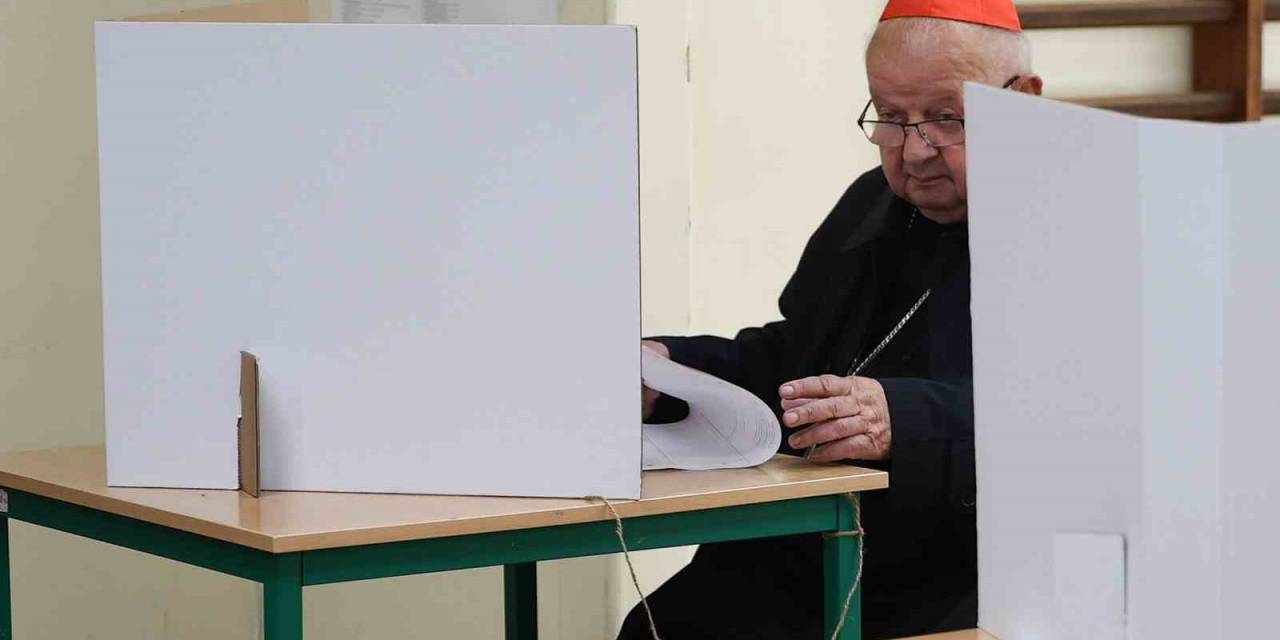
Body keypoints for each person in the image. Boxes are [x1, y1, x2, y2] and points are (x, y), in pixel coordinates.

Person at [621, 1, 1044, 638]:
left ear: (1024, 100)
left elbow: (1093, 420)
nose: (914, 151)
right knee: (663, 626)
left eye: (946, 117)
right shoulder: (871, 201)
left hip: (967, 570)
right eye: (891, 118)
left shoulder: (1088, 227)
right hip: (812, 546)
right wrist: (671, 370)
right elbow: (799, 357)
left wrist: (905, 420)